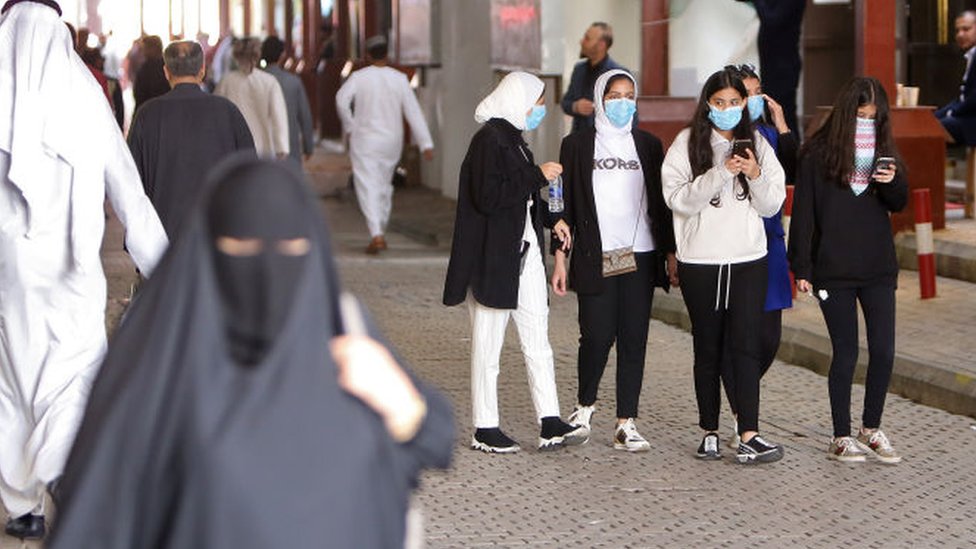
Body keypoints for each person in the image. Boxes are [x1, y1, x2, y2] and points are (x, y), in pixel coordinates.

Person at [48, 155, 454, 548]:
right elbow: (96, 518)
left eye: (293, 247)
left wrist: (403, 407)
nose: (267, 273)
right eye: (241, 248)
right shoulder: (159, 364)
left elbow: (436, 438)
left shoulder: (342, 331)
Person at [0, 0, 167, 539]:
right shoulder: (81, 91)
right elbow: (127, 187)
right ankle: (66, 474)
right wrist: (163, 265)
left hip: (8, 273)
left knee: (11, 381)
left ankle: (22, 503)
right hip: (71, 269)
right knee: (72, 372)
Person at [443, 71, 585, 454]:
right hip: (493, 260)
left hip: (525, 257)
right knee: (487, 348)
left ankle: (550, 420)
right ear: (517, 100)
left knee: (537, 339)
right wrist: (537, 175)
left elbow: (520, 199)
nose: (540, 109)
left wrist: (551, 217)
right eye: (536, 102)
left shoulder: (515, 141)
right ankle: (485, 427)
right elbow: (489, 197)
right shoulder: (489, 141)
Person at [661, 67, 786, 464]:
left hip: (749, 259)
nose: (728, 110)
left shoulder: (758, 144)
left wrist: (755, 173)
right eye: (720, 103)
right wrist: (719, 173)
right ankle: (709, 430)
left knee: (746, 346)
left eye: (735, 103)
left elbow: (772, 204)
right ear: (707, 105)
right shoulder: (687, 143)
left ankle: (749, 432)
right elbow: (677, 199)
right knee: (708, 347)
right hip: (702, 261)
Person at [549, 69, 677, 452]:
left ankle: (626, 422)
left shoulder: (649, 145)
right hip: (596, 253)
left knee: (634, 338)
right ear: (600, 99)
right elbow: (564, 205)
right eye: (614, 95)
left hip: (638, 253)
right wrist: (559, 259)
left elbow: (662, 204)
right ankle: (583, 409)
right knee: (596, 335)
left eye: (628, 95)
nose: (622, 102)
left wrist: (671, 252)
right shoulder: (576, 145)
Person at [788, 77, 907, 464]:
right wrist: (801, 266)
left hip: (878, 267)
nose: (867, 124)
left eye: (874, 117)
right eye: (860, 116)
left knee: (884, 351)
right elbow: (803, 212)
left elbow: (899, 202)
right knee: (845, 352)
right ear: (845, 114)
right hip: (833, 270)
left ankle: (871, 428)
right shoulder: (817, 155)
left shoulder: (883, 153)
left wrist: (892, 182)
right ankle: (840, 435)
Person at [719, 64, 797, 449]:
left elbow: (794, 172)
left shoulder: (766, 135)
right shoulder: (715, 139)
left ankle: (738, 392)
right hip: (734, 247)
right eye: (744, 94)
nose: (752, 101)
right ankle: (742, 417)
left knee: (769, 337)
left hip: (772, 246)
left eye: (756, 92)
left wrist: (781, 124)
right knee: (739, 335)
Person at [128, 40, 255, 238]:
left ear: (166, 71)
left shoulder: (148, 115)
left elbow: (132, 177)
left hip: (162, 230)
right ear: (202, 70)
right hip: (217, 227)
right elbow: (249, 169)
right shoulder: (227, 111)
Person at [335, 35, 434, 254]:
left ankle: (376, 233)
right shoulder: (399, 78)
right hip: (392, 140)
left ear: (368, 55)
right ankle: (379, 229)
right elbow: (413, 111)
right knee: (384, 184)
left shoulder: (359, 77)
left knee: (366, 183)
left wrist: (350, 126)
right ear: (387, 54)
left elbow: (341, 100)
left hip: (365, 140)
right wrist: (425, 143)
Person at [216, 37, 289, 159]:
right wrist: (281, 148)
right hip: (264, 147)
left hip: (234, 146)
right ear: (258, 55)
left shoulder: (226, 82)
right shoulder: (269, 82)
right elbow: (278, 117)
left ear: (236, 56)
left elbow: (217, 115)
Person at [561, 22, 628, 134]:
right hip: (579, 141)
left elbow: (628, 115)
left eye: (587, 38)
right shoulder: (579, 70)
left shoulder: (618, 74)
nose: (581, 42)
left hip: (605, 143)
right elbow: (566, 102)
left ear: (601, 45)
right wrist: (575, 107)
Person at [262, 36, 315, 167]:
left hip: (262, 146)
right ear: (282, 55)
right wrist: (308, 146)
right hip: (289, 146)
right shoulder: (293, 82)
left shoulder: (253, 81)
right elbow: (305, 116)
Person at [935, 10, 976, 145]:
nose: (960, 35)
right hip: (967, 116)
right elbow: (962, 97)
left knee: (935, 129)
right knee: (931, 123)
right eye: (957, 30)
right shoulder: (971, 56)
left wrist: (952, 112)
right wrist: (934, 116)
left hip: (971, 120)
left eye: (966, 29)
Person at [133, 35, 171, 114]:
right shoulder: (169, 67)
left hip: (149, 113)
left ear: (152, 48)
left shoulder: (146, 69)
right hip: (167, 112)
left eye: (145, 48)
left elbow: (140, 97)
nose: (143, 52)